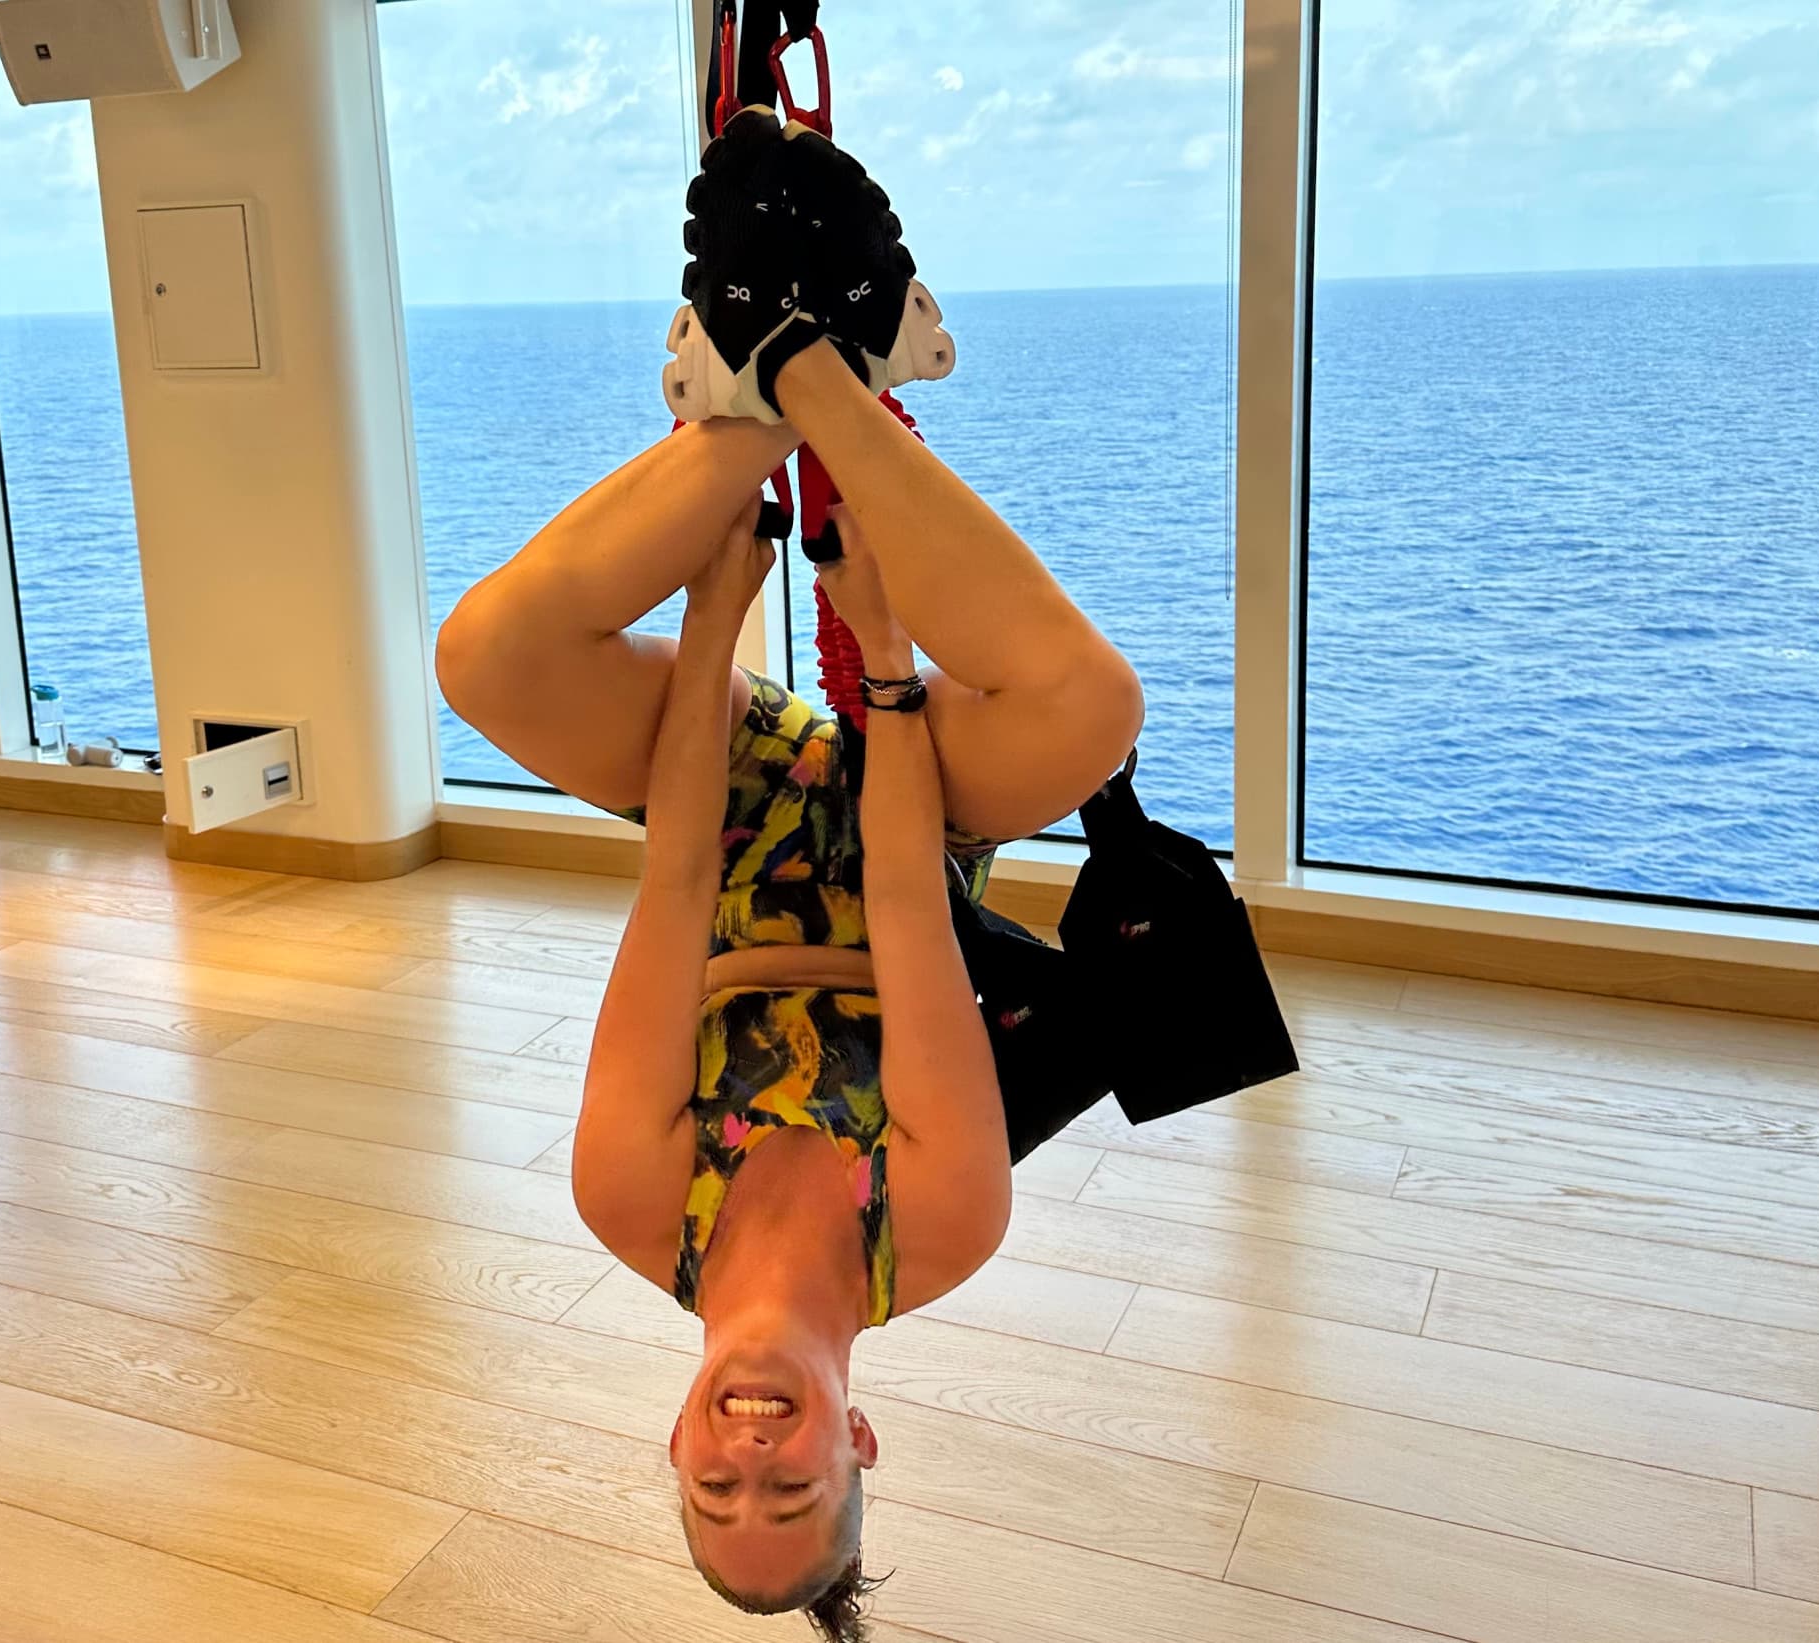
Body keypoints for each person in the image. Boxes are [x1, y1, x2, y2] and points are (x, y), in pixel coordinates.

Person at [434, 110, 1144, 1640]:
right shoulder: (942, 1226)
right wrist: (877, 651)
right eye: (795, 1489)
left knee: (481, 660)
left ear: (675, 1446)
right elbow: (906, 905)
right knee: (1092, 716)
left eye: (716, 1490)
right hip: (911, 817)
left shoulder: (633, 1204)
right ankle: (822, 370)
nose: (752, 1461)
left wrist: (718, 614)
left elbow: (675, 880)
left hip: (735, 824)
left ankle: (763, 387)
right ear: (858, 1442)